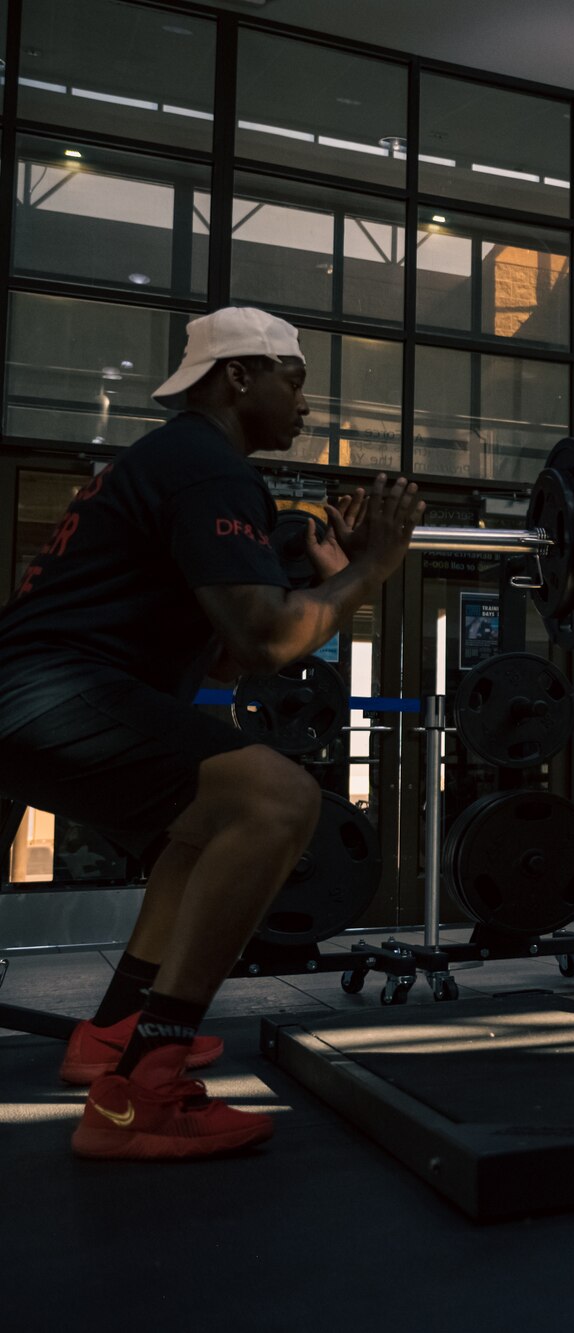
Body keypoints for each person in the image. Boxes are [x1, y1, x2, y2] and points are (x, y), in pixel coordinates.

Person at [0, 307, 422, 1160]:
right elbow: (271, 638)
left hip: (35, 695)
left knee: (202, 821)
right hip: (46, 692)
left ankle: (116, 1029)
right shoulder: (208, 468)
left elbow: (234, 657)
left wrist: (328, 575)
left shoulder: (174, 467)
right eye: (294, 380)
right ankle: (143, 1093)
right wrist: (376, 565)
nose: (306, 403)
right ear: (238, 377)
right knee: (275, 799)